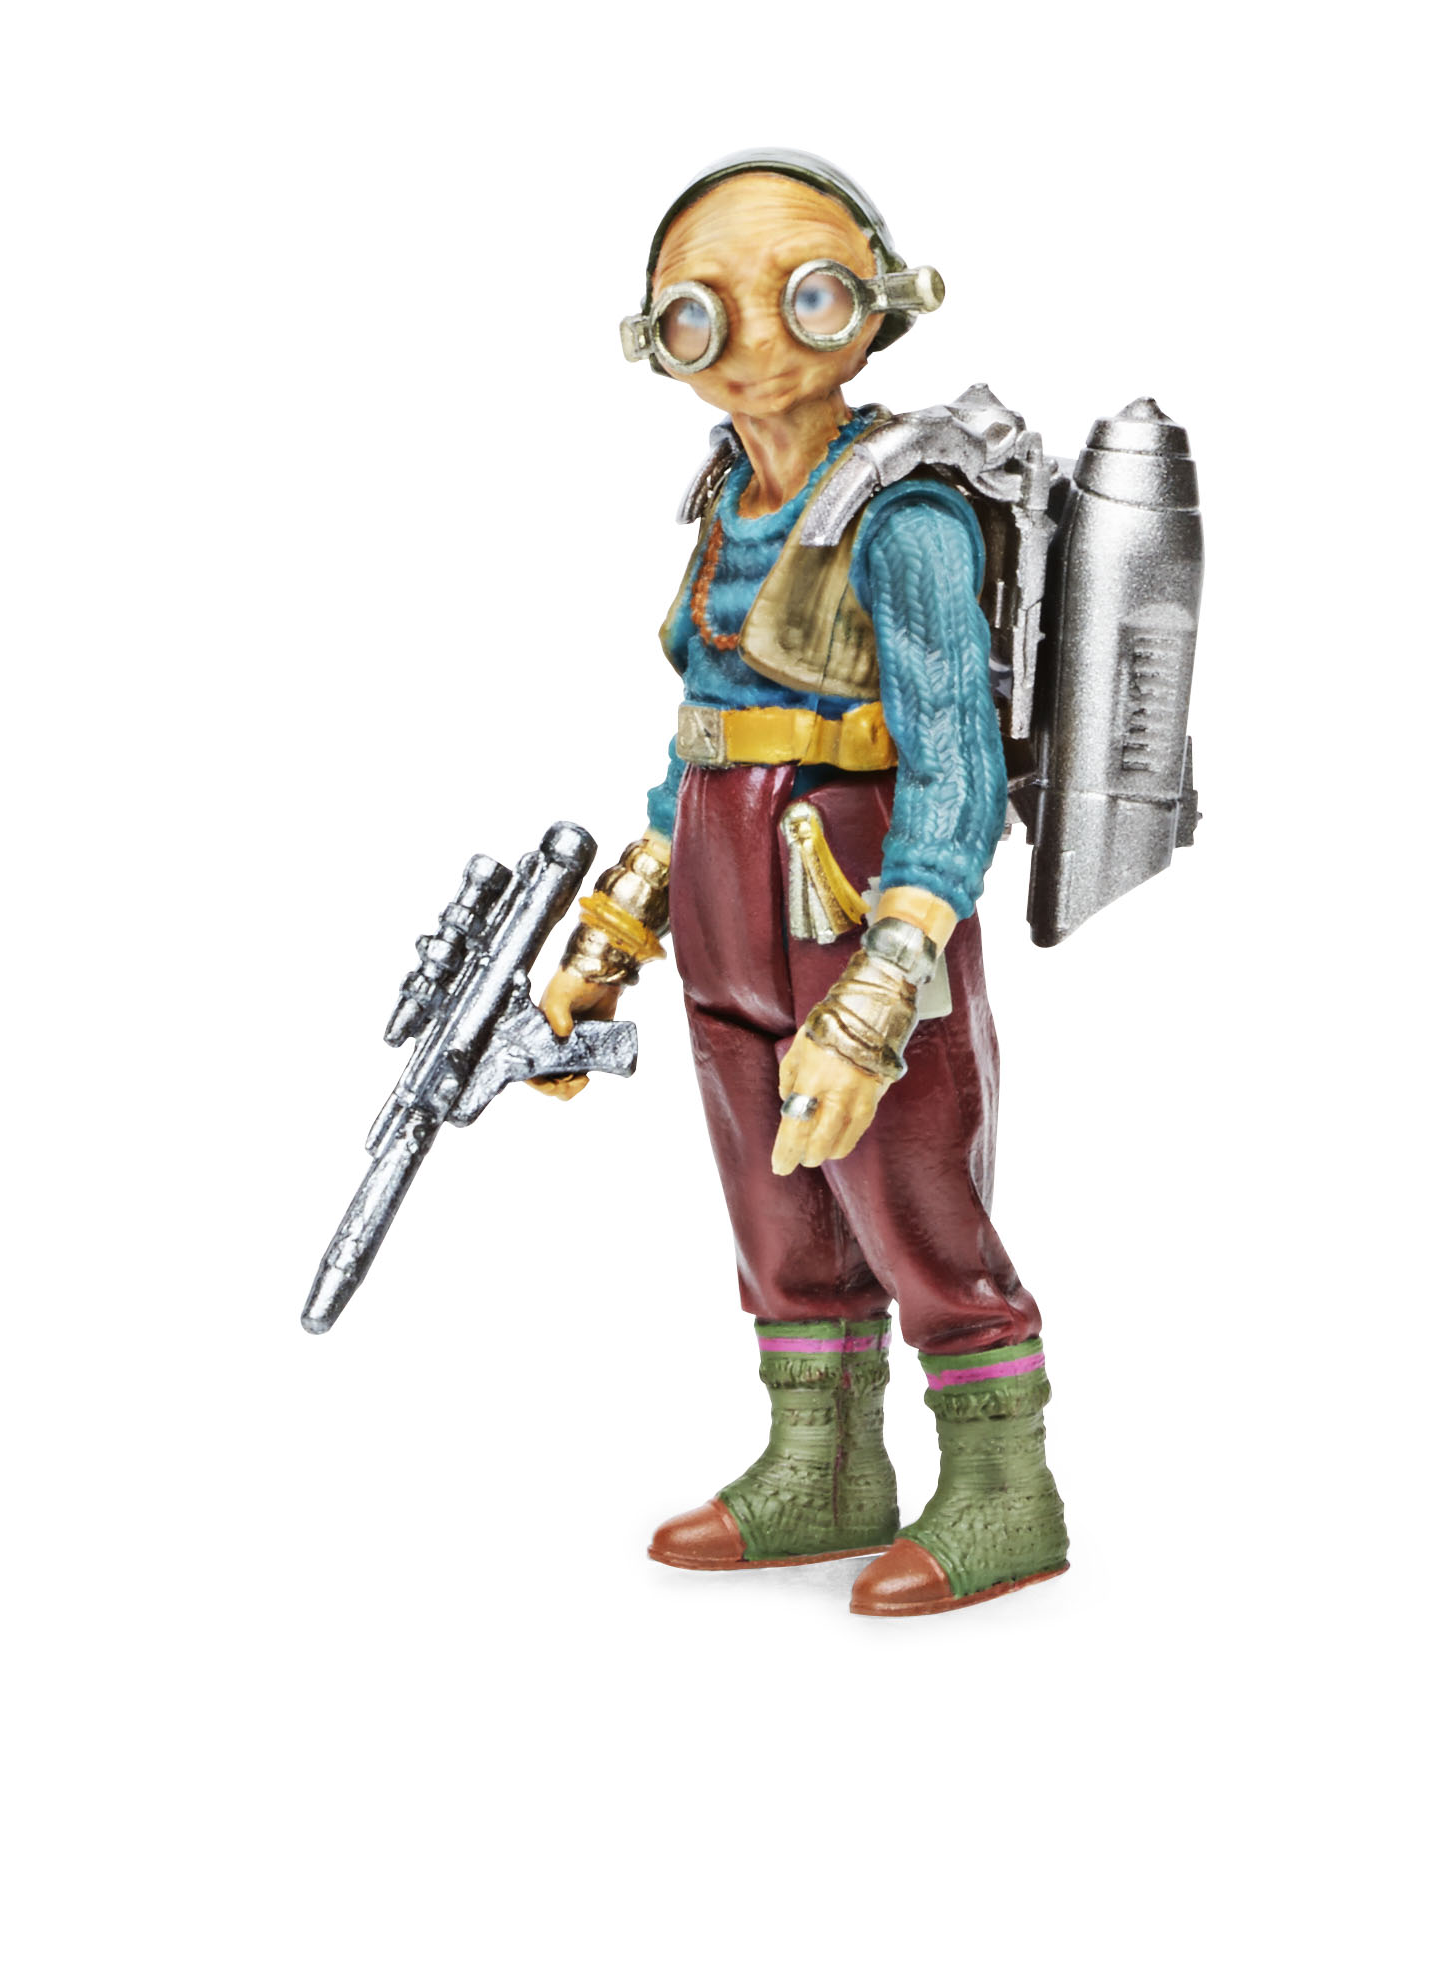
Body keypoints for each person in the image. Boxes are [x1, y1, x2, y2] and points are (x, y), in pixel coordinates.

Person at [536, 151, 1067, 1616]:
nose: (758, 338)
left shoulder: (905, 514)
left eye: (807, 295)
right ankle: (821, 1468)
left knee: (911, 1194)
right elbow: (698, 736)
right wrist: (612, 933)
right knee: (775, 1208)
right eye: (703, 313)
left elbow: (954, 767)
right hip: (725, 901)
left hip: (855, 900)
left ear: (874, 308)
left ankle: (1003, 1487)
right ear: (660, 341)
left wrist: (886, 987)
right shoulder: (723, 500)